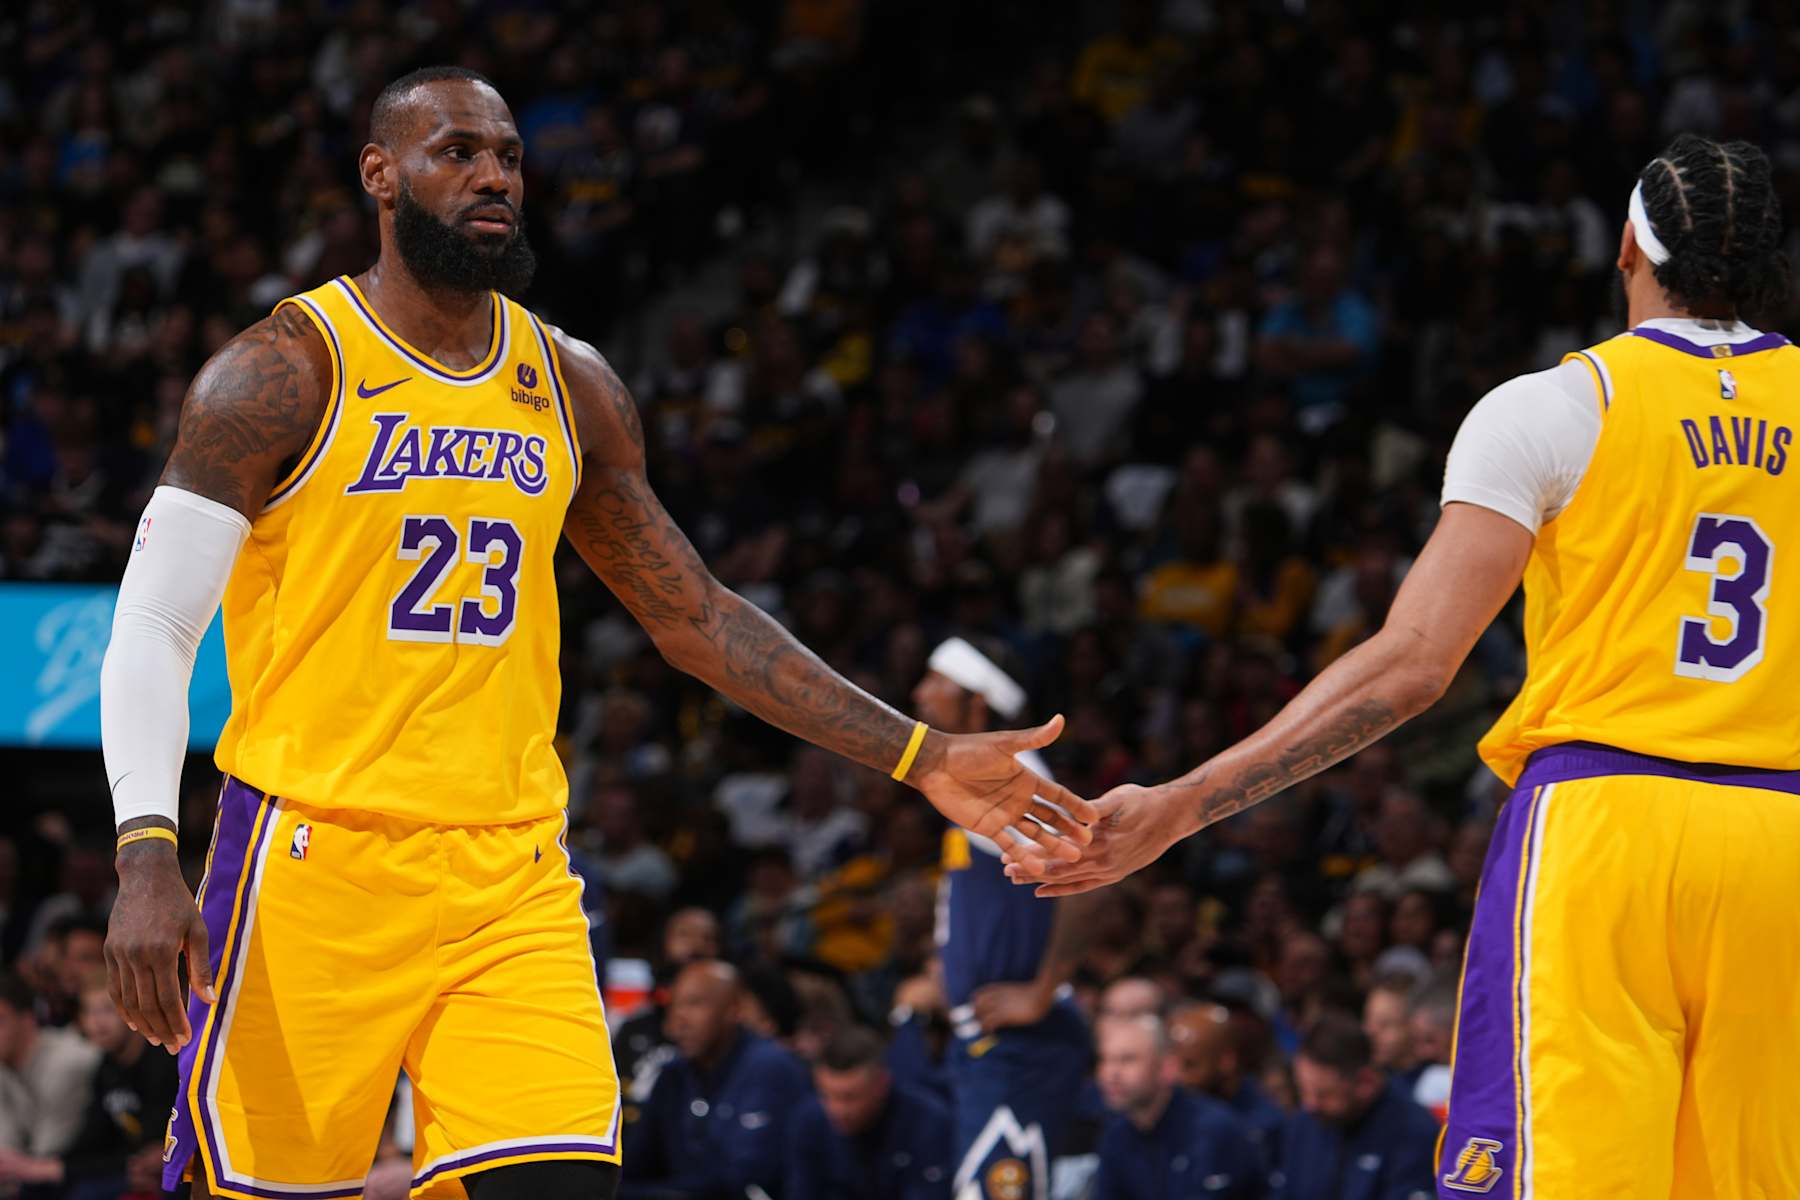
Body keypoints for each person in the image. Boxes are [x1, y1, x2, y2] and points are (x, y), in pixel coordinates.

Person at [96, 66, 1094, 1200]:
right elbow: (156, 621)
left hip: (510, 870)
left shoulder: (568, 384)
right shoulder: (282, 371)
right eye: (458, 152)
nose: (493, 178)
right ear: (381, 175)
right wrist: (143, 852)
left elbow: (699, 617)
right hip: (311, 863)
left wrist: (920, 755)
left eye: (509, 157)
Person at [1009, 133, 1800, 1196]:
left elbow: (1412, 664)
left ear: (1626, 248)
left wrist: (1186, 803)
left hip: (1607, 829)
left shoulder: (1558, 409)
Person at [911, 637, 1093, 1200]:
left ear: (977, 705)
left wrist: (1041, 991)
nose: (920, 692)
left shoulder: (1010, 775)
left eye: (937, 681)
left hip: (1021, 1044)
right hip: (984, 1044)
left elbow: (1095, 879)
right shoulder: (969, 779)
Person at [621, 960, 810, 1199]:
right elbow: (634, 1167)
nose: (679, 1019)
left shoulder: (771, 1067)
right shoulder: (673, 1075)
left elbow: (745, 1181)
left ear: (734, 1010)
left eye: (694, 1004)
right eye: (674, 1005)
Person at [0, 970, 177, 1199]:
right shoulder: (107, 1067)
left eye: (107, 1010)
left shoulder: (164, 1061)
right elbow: (93, 1138)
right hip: (131, 1168)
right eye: (88, 1011)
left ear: (134, 1009)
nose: (97, 1022)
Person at [1090, 1013, 1263, 1200]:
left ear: (1167, 1067)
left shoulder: (1213, 1130)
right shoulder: (1116, 1135)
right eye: (1105, 1059)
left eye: (1127, 1059)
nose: (1110, 1073)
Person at [1271, 1013, 1437, 1200]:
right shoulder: (1305, 1123)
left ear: (1365, 1082)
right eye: (1302, 1090)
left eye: (1323, 1094)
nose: (1310, 1104)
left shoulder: (1414, 1133)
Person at [785, 1024, 954, 1200]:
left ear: (881, 1084)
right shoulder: (809, 1120)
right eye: (826, 1095)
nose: (837, 1109)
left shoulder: (927, 1121)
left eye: (849, 1097)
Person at [1167, 1003, 1285, 1166]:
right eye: (1171, 1065)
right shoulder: (1166, 1111)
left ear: (1226, 1061)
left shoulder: (1262, 1128)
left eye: (1189, 1065)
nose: (1176, 1077)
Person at [0, 972, 100, 1156]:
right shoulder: (4, 1067)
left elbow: (48, 1153)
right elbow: (6, 1146)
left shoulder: (64, 1063)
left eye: (1, 1021)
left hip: (102, 1168)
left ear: (27, 1021)